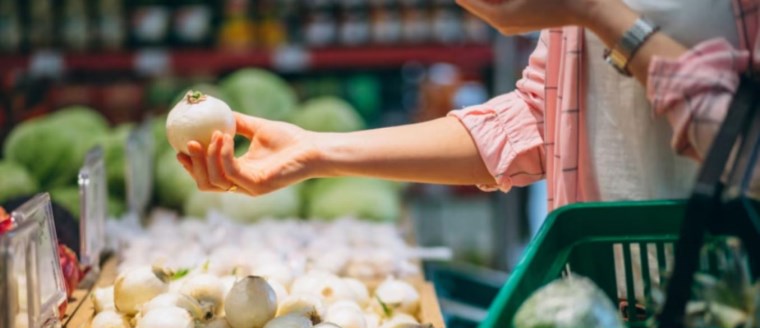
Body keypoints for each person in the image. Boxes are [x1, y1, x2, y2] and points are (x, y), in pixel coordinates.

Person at [178, 0, 759, 212]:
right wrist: (316, 151)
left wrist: (597, 13)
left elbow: (750, 154)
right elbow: (538, 119)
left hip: (734, 312)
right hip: (609, 305)